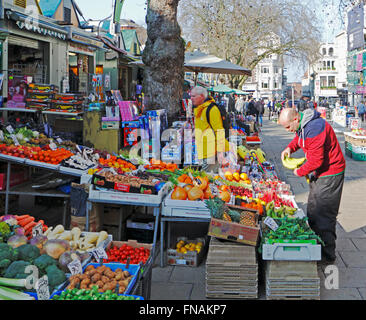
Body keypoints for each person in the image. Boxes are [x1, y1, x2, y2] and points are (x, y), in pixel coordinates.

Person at [279, 108, 346, 264]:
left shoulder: (315, 127)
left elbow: (316, 160)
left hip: (330, 173)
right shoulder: (303, 125)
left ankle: (327, 256)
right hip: (320, 173)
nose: (288, 130)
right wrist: (290, 147)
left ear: (296, 119)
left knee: (323, 213)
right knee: (314, 210)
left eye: (288, 127)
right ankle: (316, 247)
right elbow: (299, 138)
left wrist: (299, 171)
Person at [191, 86, 231, 172]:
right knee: (206, 179)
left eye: (193, 96)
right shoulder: (199, 109)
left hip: (212, 153)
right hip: (204, 151)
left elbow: (219, 131)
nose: (191, 98)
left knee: (207, 178)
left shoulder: (212, 109)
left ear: (201, 96)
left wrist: (220, 152)